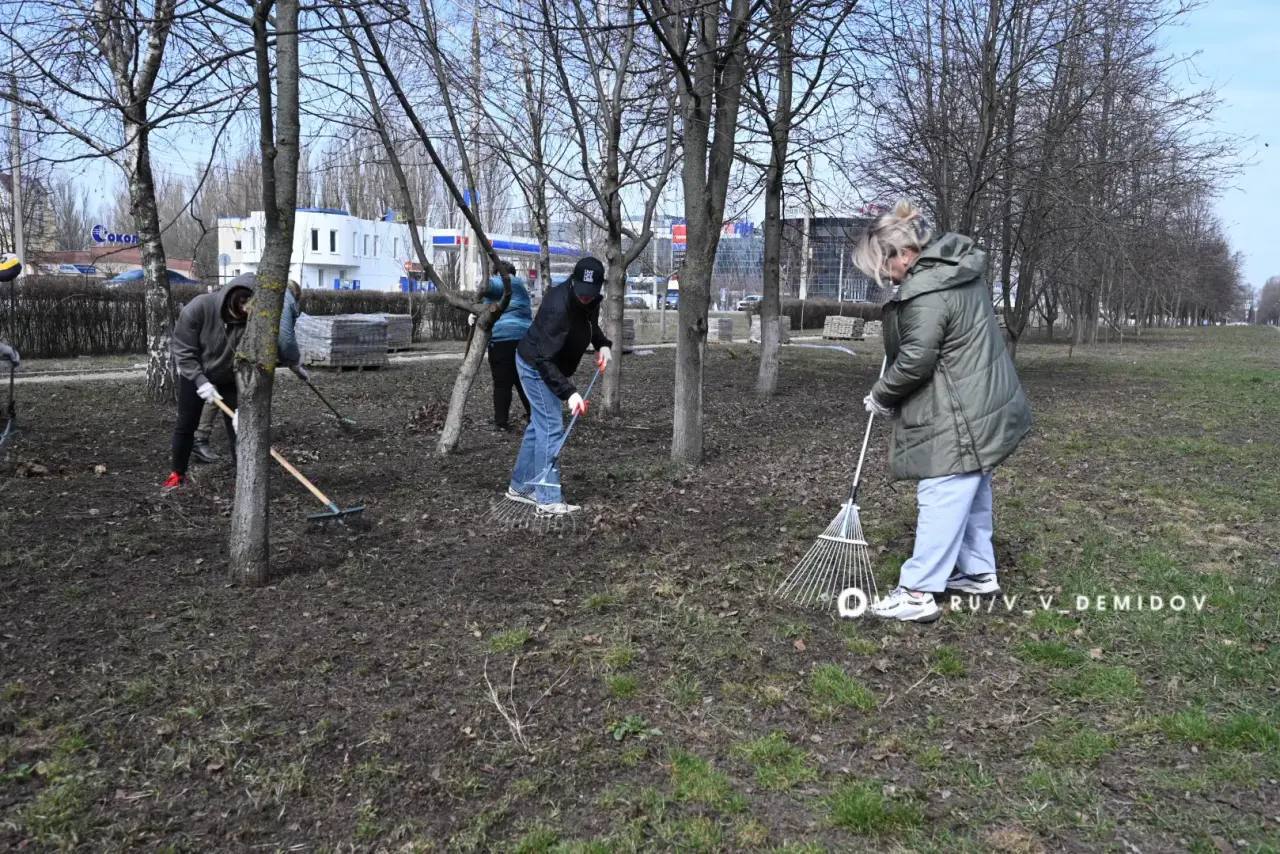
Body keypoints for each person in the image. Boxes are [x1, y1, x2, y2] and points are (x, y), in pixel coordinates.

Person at [852, 201, 1031, 623]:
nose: (885, 276)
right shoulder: (954, 271)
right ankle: (978, 572)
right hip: (980, 401)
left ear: (905, 254)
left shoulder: (927, 291)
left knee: (941, 494)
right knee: (971, 490)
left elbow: (916, 361)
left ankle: (917, 592)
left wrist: (881, 395)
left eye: (884, 266)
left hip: (958, 410)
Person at [507, 256, 611, 516]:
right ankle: (547, 499)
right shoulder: (557, 306)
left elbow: (590, 325)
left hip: (550, 366)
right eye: (582, 292)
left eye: (590, 293)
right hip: (534, 366)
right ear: (572, 281)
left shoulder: (590, 300)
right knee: (551, 427)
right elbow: (543, 360)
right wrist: (570, 393)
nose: (585, 298)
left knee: (539, 426)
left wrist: (602, 345)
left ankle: (520, 486)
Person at [190, 279, 307, 464]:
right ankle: (202, 439)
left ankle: (204, 438)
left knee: (218, 392)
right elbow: (285, 337)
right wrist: (294, 362)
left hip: (234, 351)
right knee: (220, 392)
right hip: (236, 354)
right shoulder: (284, 298)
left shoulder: (268, 295)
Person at [483, 261, 533, 432]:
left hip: (503, 340)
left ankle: (501, 422)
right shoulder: (520, 287)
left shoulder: (507, 281)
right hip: (524, 340)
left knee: (502, 383)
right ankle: (535, 416)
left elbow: (488, 286)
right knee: (524, 381)